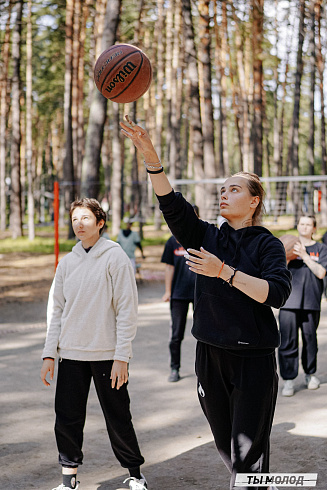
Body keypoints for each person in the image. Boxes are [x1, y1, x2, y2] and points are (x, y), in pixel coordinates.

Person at [120, 116, 291, 490]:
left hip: (253, 359)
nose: (223, 193)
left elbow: (277, 293)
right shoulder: (206, 236)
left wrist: (224, 272)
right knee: (228, 447)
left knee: (247, 454)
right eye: (222, 189)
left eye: (233, 189)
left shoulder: (267, 244)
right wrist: (151, 158)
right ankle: (256, 482)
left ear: (254, 200)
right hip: (209, 355)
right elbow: (173, 206)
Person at [40, 198, 147, 490]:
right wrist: (50, 354)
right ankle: (69, 480)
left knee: (118, 417)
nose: (79, 224)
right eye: (75, 219)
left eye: (86, 218)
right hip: (71, 356)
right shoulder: (67, 263)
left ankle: (135, 475)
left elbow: (127, 309)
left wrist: (121, 356)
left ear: (100, 222)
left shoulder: (115, 257)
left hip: (107, 356)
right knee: (67, 418)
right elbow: (56, 310)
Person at [278, 214, 327, 397]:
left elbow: (321, 273)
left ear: (314, 229)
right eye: (302, 223)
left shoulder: (321, 249)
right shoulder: (286, 245)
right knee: (287, 342)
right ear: (298, 226)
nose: (305, 227)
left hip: (311, 303)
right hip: (288, 302)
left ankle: (310, 374)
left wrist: (305, 256)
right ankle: (289, 379)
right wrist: (287, 258)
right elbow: (276, 271)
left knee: (310, 340)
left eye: (309, 225)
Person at [161, 204, 199, 382]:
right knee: (176, 334)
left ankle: (204, 370)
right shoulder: (172, 241)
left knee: (204, 335)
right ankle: (174, 368)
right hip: (178, 295)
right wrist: (168, 291)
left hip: (200, 294)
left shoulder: (202, 238)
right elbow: (169, 268)